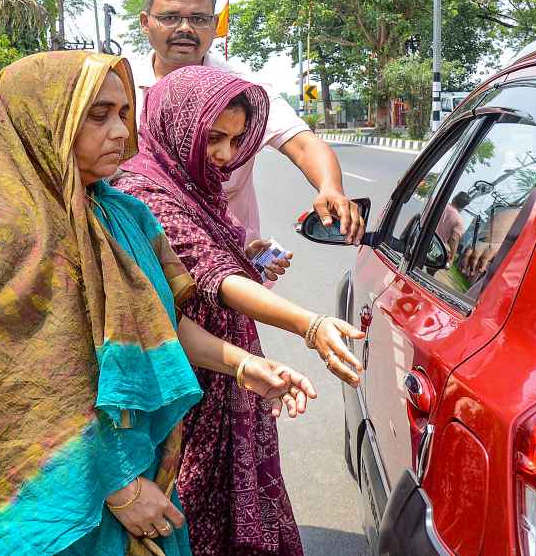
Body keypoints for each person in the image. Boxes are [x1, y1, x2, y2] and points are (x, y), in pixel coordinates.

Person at [0, 51, 316, 555]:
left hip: (143, 467)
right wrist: (120, 487)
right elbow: (12, 391)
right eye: (98, 115)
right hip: (63, 497)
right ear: (41, 120)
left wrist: (245, 366)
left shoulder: (126, 214)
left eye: (122, 113)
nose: (120, 132)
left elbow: (164, 326)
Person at [115, 65, 365, 556]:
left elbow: (209, 252)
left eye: (235, 140)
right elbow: (210, 274)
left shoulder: (195, 183)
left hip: (228, 364)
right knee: (191, 493)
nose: (226, 155)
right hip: (193, 374)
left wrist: (248, 250)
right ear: (176, 125)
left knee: (228, 490)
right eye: (214, 138)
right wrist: (309, 326)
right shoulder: (144, 189)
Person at [129, 0, 364, 250]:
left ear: (214, 25)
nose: (185, 28)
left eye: (199, 19)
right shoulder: (119, 88)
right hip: (141, 257)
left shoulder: (245, 91)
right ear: (145, 22)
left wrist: (331, 188)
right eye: (170, 17)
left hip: (231, 258)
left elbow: (302, 144)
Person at [435, 191, 470, 263]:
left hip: (420, 236)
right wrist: (452, 257)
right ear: (463, 207)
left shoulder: (437, 202)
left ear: (454, 198)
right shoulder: (459, 221)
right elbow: (454, 239)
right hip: (436, 248)